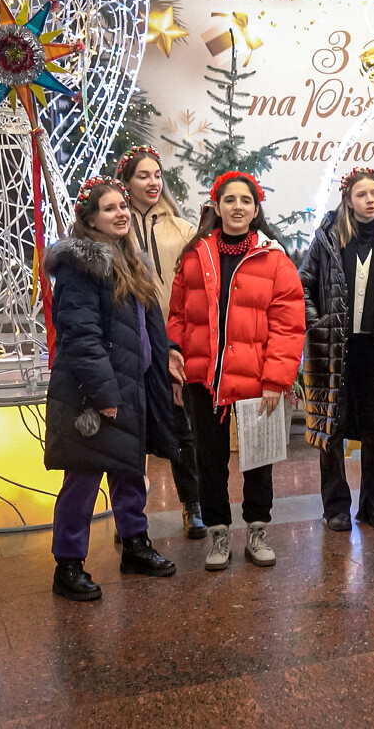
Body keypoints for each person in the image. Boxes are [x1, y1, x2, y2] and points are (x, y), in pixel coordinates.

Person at [45, 177, 178, 601]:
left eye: (123, 206)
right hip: (92, 393)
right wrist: (104, 396)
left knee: (129, 472)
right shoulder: (80, 266)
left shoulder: (131, 261)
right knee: (82, 481)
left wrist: (164, 359)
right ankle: (68, 565)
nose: (121, 212)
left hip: (131, 384)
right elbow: (80, 336)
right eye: (109, 208)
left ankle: (135, 545)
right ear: (90, 219)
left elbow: (144, 327)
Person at [169, 171, 305, 571]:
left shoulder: (273, 259)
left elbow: (288, 325)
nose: (238, 207)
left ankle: (258, 529)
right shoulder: (196, 255)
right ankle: (218, 533)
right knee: (209, 459)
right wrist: (175, 354)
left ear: (256, 208)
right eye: (230, 200)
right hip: (204, 378)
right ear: (217, 206)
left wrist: (276, 380)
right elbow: (179, 314)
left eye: (246, 201)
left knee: (258, 459)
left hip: (256, 377)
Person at [299, 168, 374, 532]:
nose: (369, 200)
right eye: (361, 194)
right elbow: (303, 285)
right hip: (333, 349)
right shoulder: (328, 239)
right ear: (348, 199)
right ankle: (336, 507)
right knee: (331, 430)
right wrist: (319, 323)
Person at [115, 145, 205, 540]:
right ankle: (129, 516)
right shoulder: (115, 227)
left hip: (174, 340)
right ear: (127, 182)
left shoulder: (182, 229)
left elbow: (196, 288)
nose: (152, 182)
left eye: (156, 175)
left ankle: (193, 506)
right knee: (130, 431)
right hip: (131, 342)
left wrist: (183, 340)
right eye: (143, 176)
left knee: (183, 429)